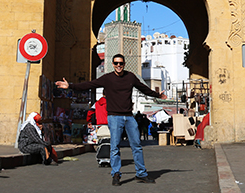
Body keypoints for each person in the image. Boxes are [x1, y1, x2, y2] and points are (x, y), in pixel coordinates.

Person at [56, 53, 166, 186]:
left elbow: (144, 89)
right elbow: (89, 84)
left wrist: (157, 95)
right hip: (114, 117)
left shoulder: (130, 77)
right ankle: (116, 174)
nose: (118, 65)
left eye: (121, 63)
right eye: (116, 63)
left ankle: (141, 174)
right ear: (113, 64)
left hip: (129, 117)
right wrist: (70, 86)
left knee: (137, 145)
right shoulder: (107, 78)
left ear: (124, 64)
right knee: (115, 146)